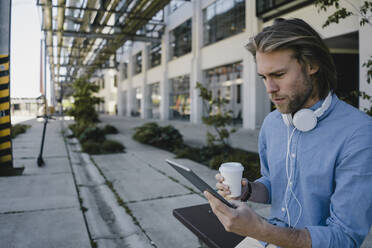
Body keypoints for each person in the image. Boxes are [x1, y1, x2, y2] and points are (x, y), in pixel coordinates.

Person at [204, 18, 372, 248]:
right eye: (264, 77)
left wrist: (261, 230)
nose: (270, 89)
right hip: (265, 239)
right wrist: (248, 190)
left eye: (279, 75)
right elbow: (274, 184)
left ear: (312, 65)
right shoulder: (273, 123)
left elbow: (345, 238)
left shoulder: (359, 133)